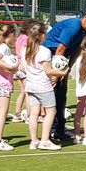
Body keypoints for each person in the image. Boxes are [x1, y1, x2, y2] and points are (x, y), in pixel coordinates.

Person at [43, 9, 86, 142]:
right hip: (52, 55)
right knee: (53, 94)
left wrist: (68, 69)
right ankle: (51, 130)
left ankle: (59, 130)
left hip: (63, 59)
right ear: (85, 17)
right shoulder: (73, 27)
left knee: (61, 95)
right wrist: (56, 74)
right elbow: (60, 49)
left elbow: (77, 50)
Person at [20, 20, 62, 150]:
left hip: (31, 85)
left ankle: (34, 141)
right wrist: (63, 72)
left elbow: (22, 68)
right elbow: (48, 71)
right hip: (43, 86)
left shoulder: (25, 50)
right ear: (42, 35)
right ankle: (45, 141)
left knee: (33, 113)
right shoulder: (44, 51)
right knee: (51, 112)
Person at [0, 23, 21, 152]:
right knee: (2, 113)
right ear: (11, 35)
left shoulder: (1, 46)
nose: (16, 39)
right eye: (15, 37)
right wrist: (11, 67)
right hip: (3, 83)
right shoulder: (4, 47)